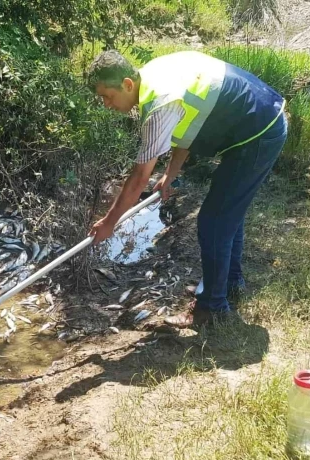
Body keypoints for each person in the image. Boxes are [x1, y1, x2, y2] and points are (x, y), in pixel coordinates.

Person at [87, 49, 288, 328]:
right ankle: (229, 283)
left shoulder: (159, 101)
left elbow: (139, 177)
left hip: (259, 131)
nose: (106, 104)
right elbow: (186, 126)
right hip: (258, 121)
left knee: (214, 221)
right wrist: (171, 172)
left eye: (107, 96)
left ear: (127, 85)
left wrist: (111, 222)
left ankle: (211, 309)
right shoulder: (152, 75)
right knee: (228, 214)